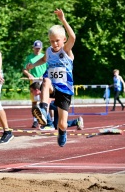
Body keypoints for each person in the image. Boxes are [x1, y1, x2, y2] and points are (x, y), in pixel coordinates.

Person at [27, 9, 76, 147]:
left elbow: (73, 37)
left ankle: (62, 131)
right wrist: (33, 65)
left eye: (57, 41)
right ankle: (43, 110)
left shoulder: (65, 50)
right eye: (51, 41)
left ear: (63, 40)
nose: (54, 44)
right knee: (46, 80)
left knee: (62, 123)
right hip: (52, 86)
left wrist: (63, 20)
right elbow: (43, 59)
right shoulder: (48, 51)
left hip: (65, 89)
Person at [23, 40, 47, 129]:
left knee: (44, 100)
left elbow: (49, 68)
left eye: (39, 48)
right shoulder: (30, 57)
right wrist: (29, 74)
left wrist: (43, 75)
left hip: (43, 81)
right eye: (36, 48)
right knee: (34, 102)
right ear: (33, 48)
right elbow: (24, 69)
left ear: (41, 48)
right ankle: (35, 120)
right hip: (33, 82)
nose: (37, 50)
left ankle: (46, 119)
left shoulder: (44, 57)